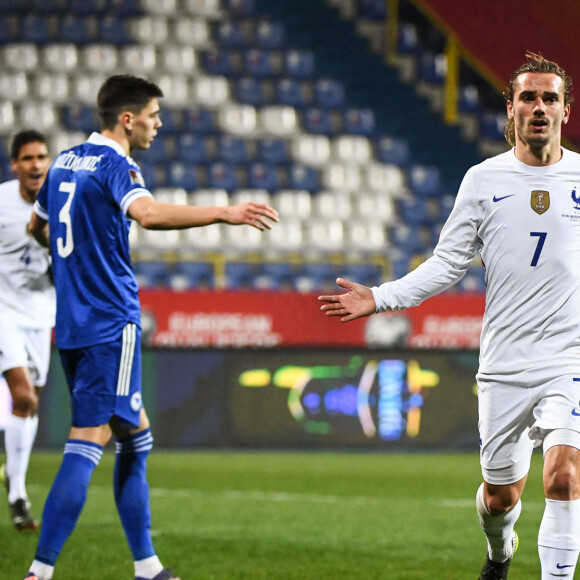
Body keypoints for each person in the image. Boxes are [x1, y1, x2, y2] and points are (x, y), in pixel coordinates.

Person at [319, 52, 580, 579]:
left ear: (565, 111)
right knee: (501, 497)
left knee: (564, 478)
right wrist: (381, 296)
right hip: (505, 363)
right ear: (510, 108)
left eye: (549, 98)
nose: (538, 107)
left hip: (569, 358)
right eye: (528, 97)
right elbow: (447, 264)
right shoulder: (483, 180)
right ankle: (499, 552)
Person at [25, 74, 279, 580]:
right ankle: (40, 570)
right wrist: (224, 212)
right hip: (111, 321)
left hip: (73, 322)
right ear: (128, 118)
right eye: (153, 115)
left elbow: (38, 226)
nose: (158, 124)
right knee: (90, 437)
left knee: (135, 436)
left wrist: (71, 272)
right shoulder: (118, 166)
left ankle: (148, 567)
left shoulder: (64, 162)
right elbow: (149, 214)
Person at [0, 130, 53, 530]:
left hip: (40, 315)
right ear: (15, 164)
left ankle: (14, 483)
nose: (36, 164)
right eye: (27, 158)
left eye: (42, 157)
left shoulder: (61, 203)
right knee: (22, 394)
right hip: (3, 311)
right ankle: (18, 495)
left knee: (27, 404)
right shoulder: (1, 202)